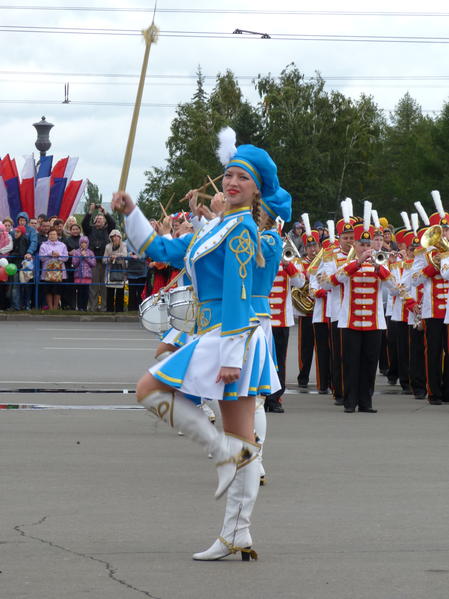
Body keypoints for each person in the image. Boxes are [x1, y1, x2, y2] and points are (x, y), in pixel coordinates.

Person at [112, 139, 286, 561]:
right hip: (218, 334)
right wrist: (131, 212)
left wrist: (229, 357)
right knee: (242, 440)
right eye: (230, 174)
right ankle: (236, 531)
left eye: (243, 178)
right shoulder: (215, 229)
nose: (232, 182)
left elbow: (239, 294)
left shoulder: (244, 228)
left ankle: (226, 479)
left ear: (256, 190)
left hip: (231, 335)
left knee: (149, 390)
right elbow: (162, 250)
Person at [82, 204, 116, 311]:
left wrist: (104, 211)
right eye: (97, 218)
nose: (99, 220)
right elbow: (84, 223)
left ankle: (104, 307)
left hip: (105, 261)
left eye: (102, 218)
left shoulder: (108, 230)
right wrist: (90, 211)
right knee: (94, 286)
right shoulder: (90, 230)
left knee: (104, 286)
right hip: (93, 262)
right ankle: (93, 307)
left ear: (105, 222)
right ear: (94, 221)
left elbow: (113, 223)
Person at [39, 228, 69, 310]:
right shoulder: (43, 245)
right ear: (48, 236)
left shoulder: (62, 245)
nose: (52, 236)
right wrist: (50, 254)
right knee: (48, 291)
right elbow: (41, 258)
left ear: (57, 235)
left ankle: (55, 308)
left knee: (57, 290)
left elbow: (66, 258)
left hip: (59, 272)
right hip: (47, 272)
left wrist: (58, 255)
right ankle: (50, 308)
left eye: (54, 234)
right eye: (51, 234)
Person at [103, 229, 127, 312]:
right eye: (114, 236)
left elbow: (125, 255)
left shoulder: (123, 245)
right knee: (110, 291)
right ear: (111, 237)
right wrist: (110, 258)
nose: (116, 238)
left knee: (120, 291)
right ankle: (109, 309)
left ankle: (119, 309)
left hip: (120, 270)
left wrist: (116, 255)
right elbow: (104, 259)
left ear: (120, 237)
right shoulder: (108, 246)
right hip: (110, 270)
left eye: (117, 236)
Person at [71, 236, 96, 311]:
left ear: (87, 243)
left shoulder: (90, 252)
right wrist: (80, 257)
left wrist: (86, 257)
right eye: (82, 242)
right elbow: (74, 263)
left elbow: (93, 264)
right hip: (78, 275)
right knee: (79, 291)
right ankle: (79, 307)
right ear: (80, 243)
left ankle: (85, 307)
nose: (83, 244)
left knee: (86, 291)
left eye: (85, 242)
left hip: (87, 276)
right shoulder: (76, 252)